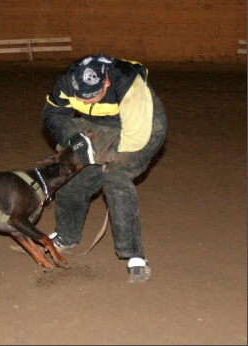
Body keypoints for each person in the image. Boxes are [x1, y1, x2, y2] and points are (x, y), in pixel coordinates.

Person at [42, 54, 167, 283]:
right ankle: (67, 236)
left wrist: (104, 160)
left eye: (93, 96)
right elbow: (52, 115)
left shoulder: (131, 89)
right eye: (81, 96)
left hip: (143, 129)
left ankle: (135, 256)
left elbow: (134, 141)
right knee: (70, 179)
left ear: (106, 82)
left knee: (115, 179)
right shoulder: (66, 82)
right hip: (100, 125)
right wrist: (75, 139)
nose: (86, 101)